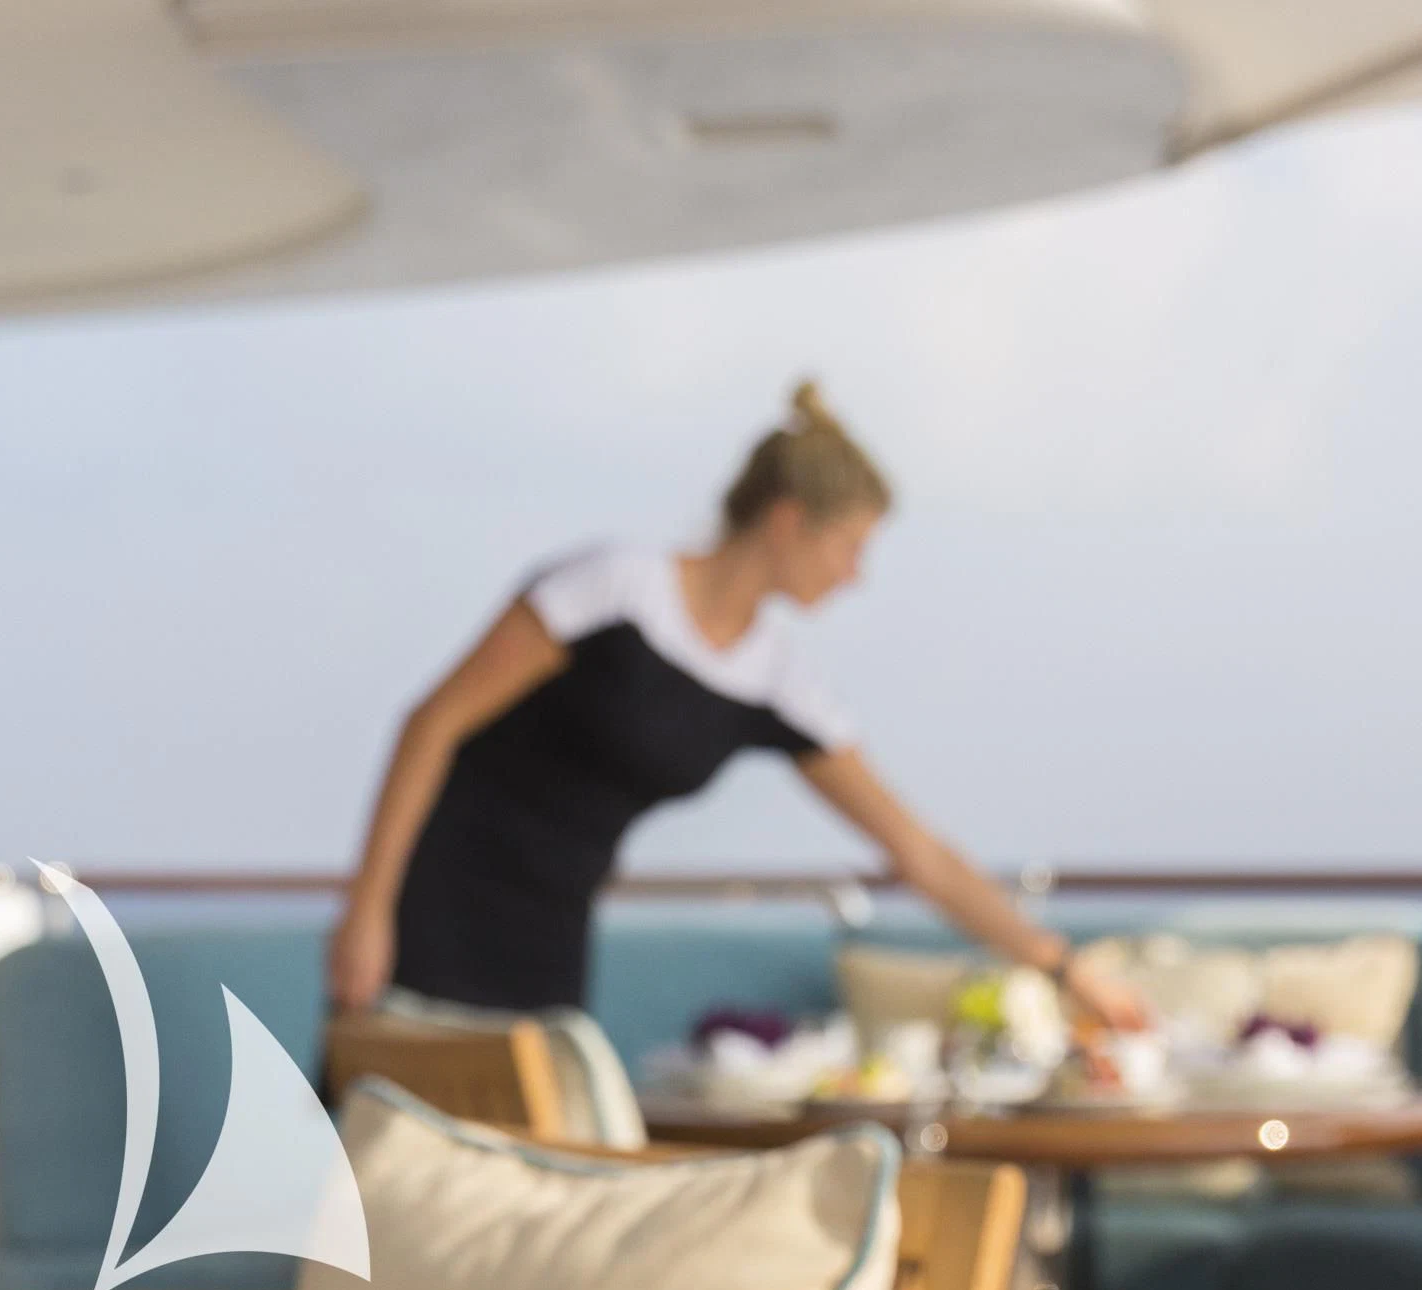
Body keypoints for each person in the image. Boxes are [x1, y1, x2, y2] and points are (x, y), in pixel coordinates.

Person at [328, 382, 1147, 1032]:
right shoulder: (613, 588)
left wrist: (1061, 969)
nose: (857, 574)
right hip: (431, 907)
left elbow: (918, 852)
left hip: (552, 935)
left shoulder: (771, 682)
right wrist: (368, 913)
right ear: (788, 522)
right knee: (378, 1181)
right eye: (850, 547)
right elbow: (431, 726)